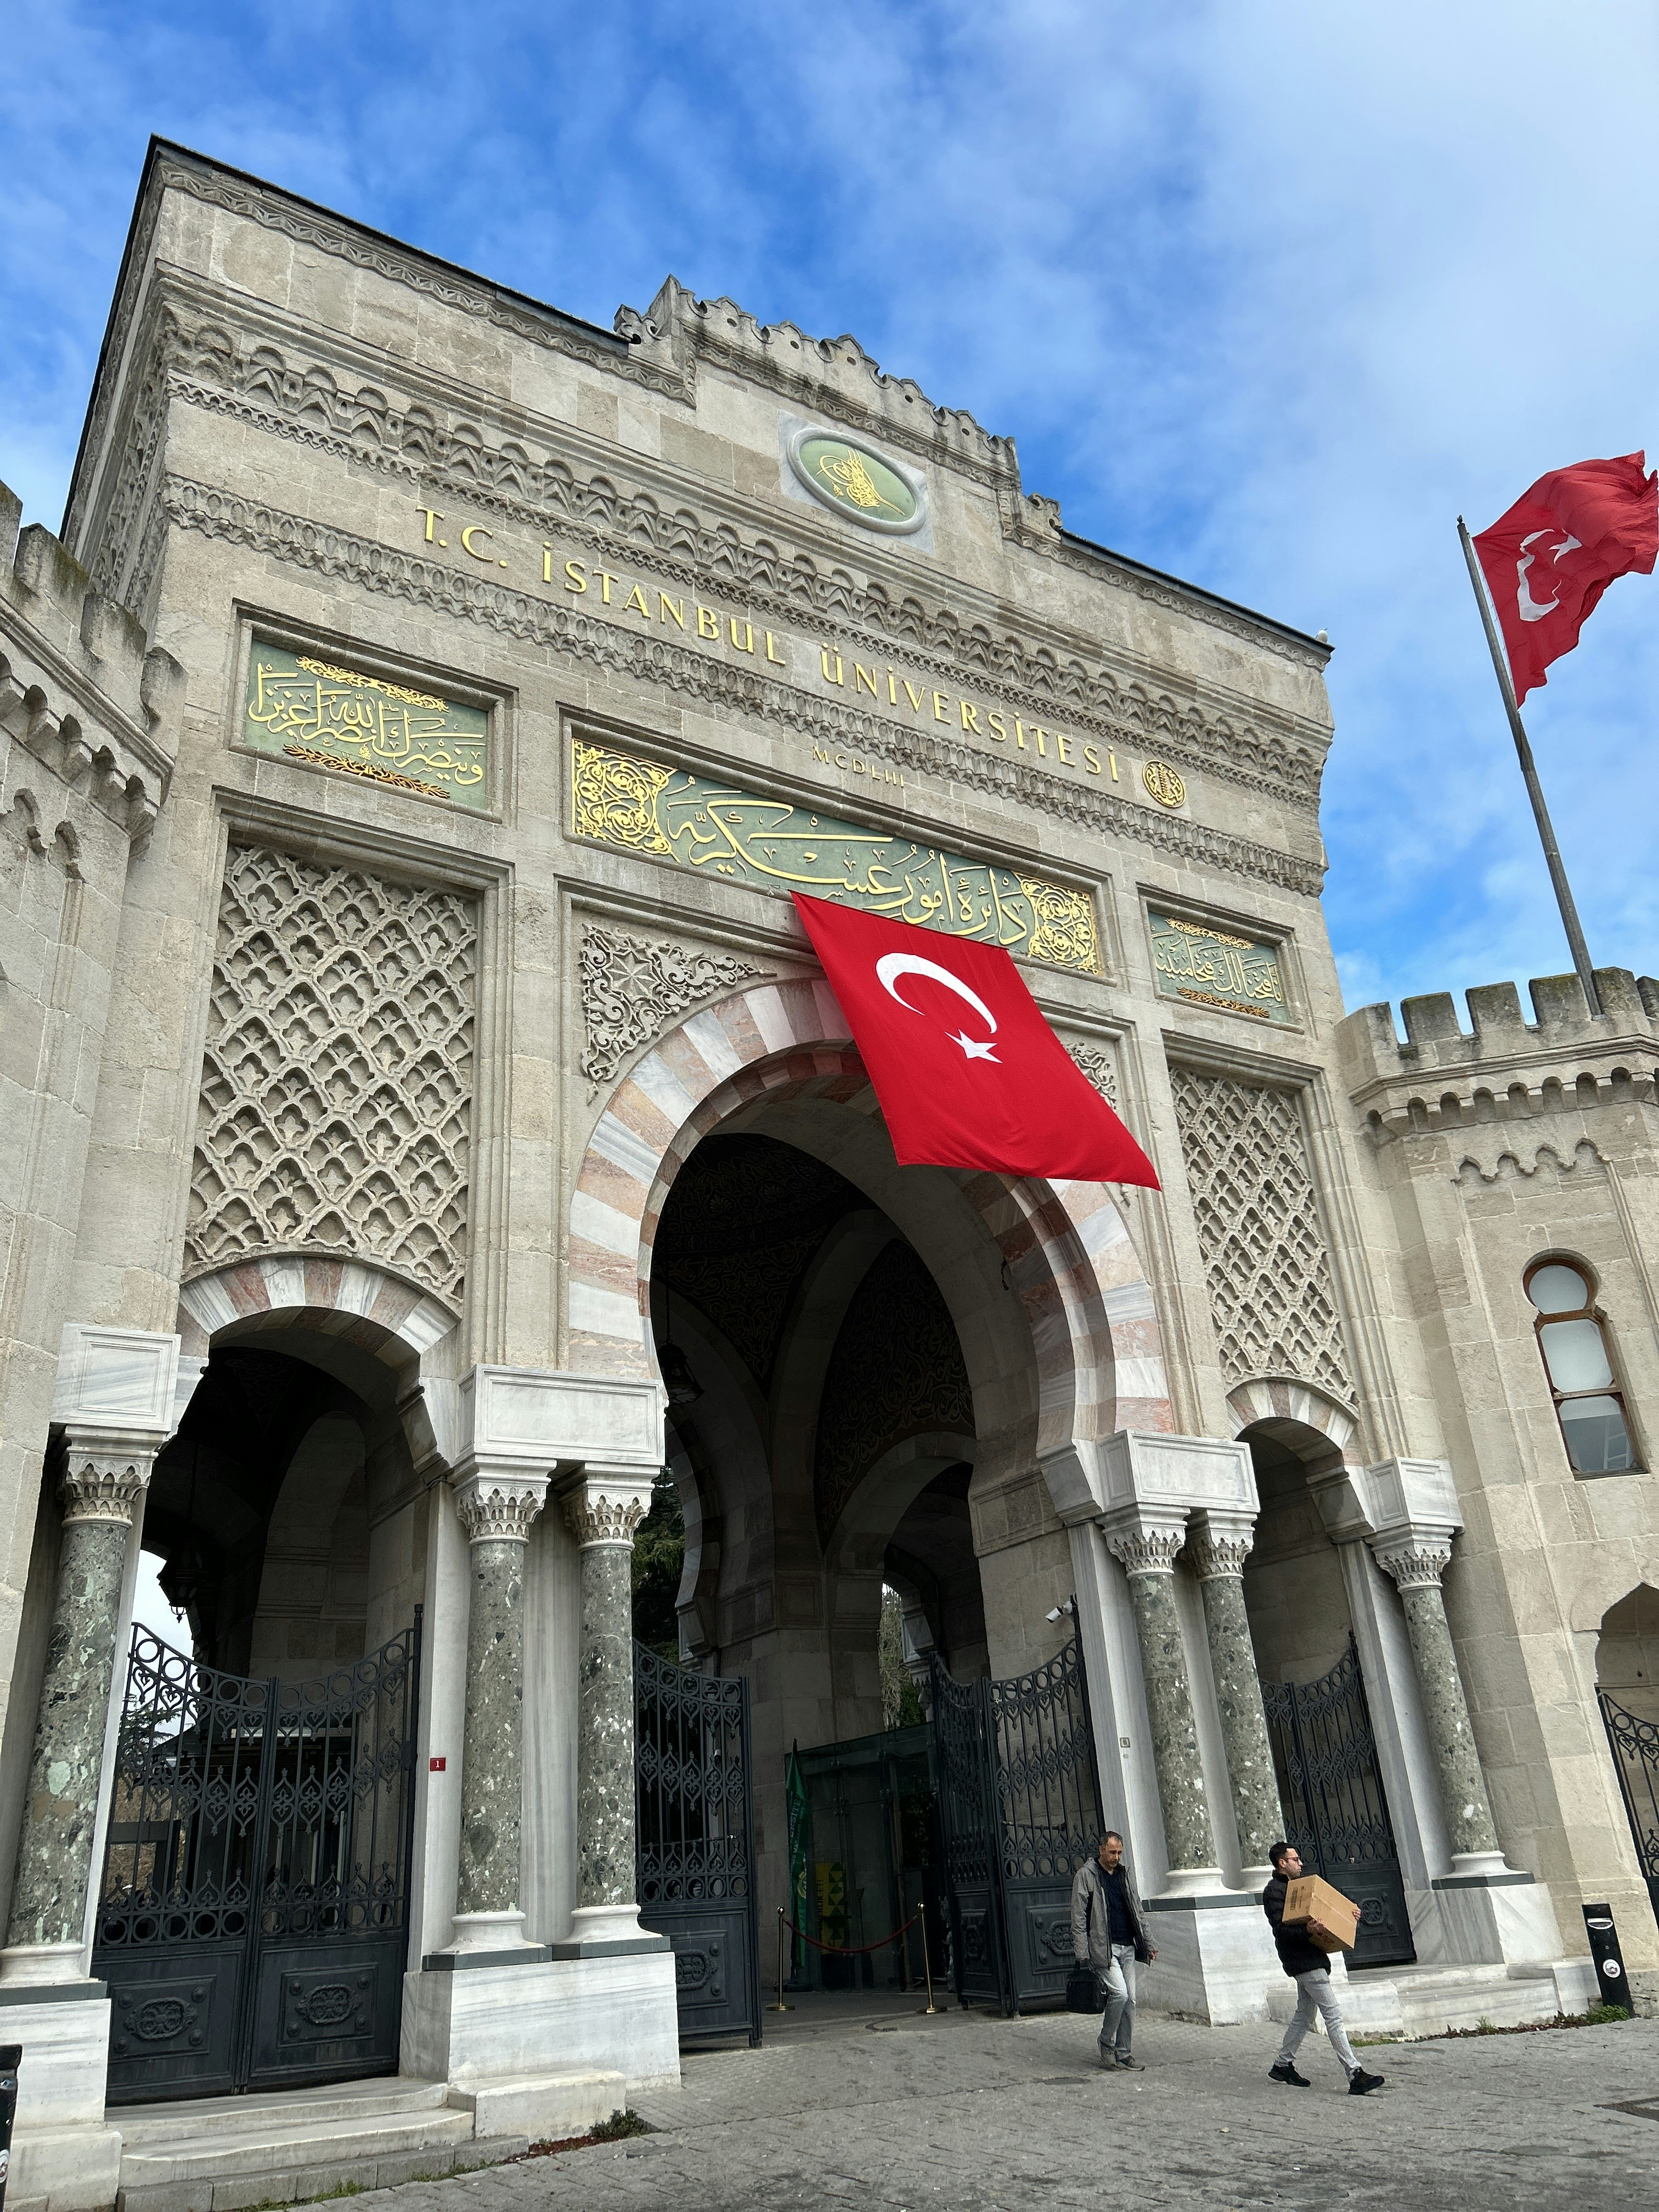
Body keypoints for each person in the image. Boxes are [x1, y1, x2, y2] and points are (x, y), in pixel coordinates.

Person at [1262, 1841, 1384, 2095]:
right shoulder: (1274, 1891)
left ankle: (1282, 2064)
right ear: (1282, 1862)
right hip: (1303, 1960)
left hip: (1312, 1957)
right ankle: (1355, 2074)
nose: (1301, 1863)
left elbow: (1327, 1912)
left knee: (1304, 2015)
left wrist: (1348, 1914)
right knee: (1333, 2015)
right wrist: (1307, 1929)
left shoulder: (1302, 1888)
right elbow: (1281, 1929)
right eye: (1295, 1859)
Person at [1070, 1830, 1155, 2070]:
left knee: (1132, 2001)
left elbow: (1137, 1910)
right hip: (1103, 1948)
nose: (1116, 1857)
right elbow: (1078, 1917)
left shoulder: (1124, 1874)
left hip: (1128, 1945)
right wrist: (1082, 1952)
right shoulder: (1087, 1875)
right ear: (1101, 1850)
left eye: (1119, 1852)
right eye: (1112, 1852)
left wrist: (1149, 1943)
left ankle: (1124, 2052)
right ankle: (1106, 2043)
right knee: (1120, 1995)